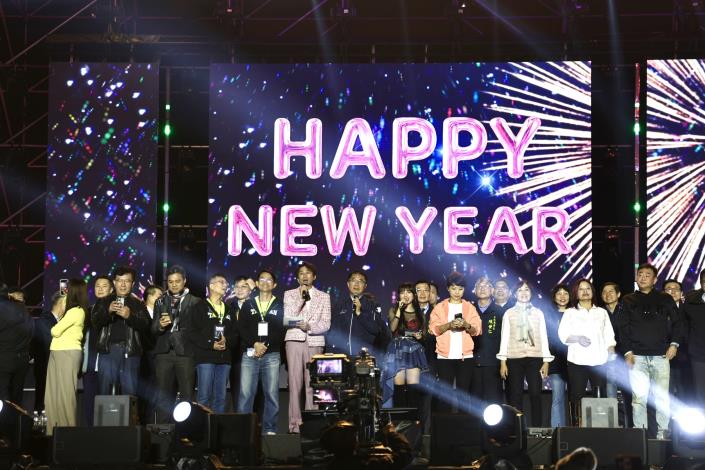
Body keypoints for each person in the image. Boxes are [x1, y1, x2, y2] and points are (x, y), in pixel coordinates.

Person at [618, 263, 686, 439]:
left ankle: (663, 433)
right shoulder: (628, 300)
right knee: (638, 398)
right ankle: (640, 434)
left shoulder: (665, 298)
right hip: (637, 357)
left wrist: (674, 344)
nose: (642, 277)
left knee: (662, 397)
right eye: (640, 274)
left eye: (647, 275)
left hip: (661, 355)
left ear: (655, 280)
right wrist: (627, 352)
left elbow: (678, 322)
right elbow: (622, 327)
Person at [559, 279, 616, 425]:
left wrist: (611, 350)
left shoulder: (602, 312)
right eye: (581, 289)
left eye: (588, 288)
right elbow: (563, 335)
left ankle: (600, 428)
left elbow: (609, 335)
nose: (585, 291)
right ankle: (576, 428)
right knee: (577, 397)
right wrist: (578, 338)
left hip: (599, 361)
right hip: (577, 361)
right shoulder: (570, 312)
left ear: (592, 291)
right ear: (576, 293)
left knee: (600, 397)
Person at [497, 281, 553, 427]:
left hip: (535, 358)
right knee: (516, 395)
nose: (523, 293)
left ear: (531, 293)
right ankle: (518, 429)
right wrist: (503, 362)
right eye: (520, 290)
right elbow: (504, 337)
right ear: (515, 294)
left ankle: (537, 429)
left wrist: (546, 361)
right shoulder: (509, 313)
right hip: (514, 358)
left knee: (535, 394)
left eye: (526, 290)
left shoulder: (538, 313)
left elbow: (543, 336)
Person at [284, 262, 331, 434]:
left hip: (315, 341)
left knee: (312, 384)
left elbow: (326, 323)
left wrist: (309, 326)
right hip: (294, 340)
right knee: (295, 384)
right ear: (298, 278)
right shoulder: (289, 294)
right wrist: (301, 299)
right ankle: (295, 425)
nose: (305, 276)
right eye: (301, 273)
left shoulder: (324, 296)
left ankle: (312, 424)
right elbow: (287, 319)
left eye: (308, 273)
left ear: (314, 276)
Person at [152, 265, 202, 422]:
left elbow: (199, 330)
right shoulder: (160, 301)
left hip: (185, 353)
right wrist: (160, 325)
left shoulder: (195, 302)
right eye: (170, 282)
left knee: (187, 395)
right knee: (163, 395)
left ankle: (186, 430)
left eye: (177, 281)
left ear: (184, 281)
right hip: (164, 353)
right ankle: (163, 430)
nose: (174, 285)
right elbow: (153, 328)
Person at [238, 269, 285, 435]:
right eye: (262, 279)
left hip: (271, 354)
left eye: (269, 280)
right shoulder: (248, 304)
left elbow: (281, 330)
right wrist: (255, 343)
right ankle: (244, 431)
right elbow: (241, 328)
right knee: (246, 394)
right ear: (257, 284)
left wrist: (265, 345)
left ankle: (270, 429)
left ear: (275, 284)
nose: (265, 282)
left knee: (271, 394)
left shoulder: (280, 305)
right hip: (250, 353)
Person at [92, 267, 150, 397]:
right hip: (108, 351)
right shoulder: (104, 301)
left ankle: (129, 412)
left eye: (127, 281)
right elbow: (95, 322)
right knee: (105, 391)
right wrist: (108, 311)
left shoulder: (138, 304)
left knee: (130, 393)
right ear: (114, 282)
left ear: (132, 284)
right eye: (119, 281)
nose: (123, 284)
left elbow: (146, 325)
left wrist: (130, 316)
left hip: (130, 352)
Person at [429, 272, 481, 413]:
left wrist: (466, 325)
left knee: (463, 394)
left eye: (460, 289)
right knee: (445, 395)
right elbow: (433, 329)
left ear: (464, 289)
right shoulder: (440, 307)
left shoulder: (469, 307)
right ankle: (445, 425)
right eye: (453, 288)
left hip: (466, 356)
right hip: (444, 356)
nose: (457, 292)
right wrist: (449, 325)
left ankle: (464, 425)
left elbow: (477, 330)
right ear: (448, 289)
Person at [45, 279, 87, 435]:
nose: (65, 292)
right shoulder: (70, 310)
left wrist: (61, 314)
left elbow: (55, 331)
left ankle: (68, 432)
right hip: (57, 351)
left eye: (68, 289)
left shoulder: (76, 311)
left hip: (68, 352)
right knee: (52, 395)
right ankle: (52, 432)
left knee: (65, 394)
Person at [192, 274, 235, 413]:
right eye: (221, 282)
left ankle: (217, 426)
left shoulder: (229, 309)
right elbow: (192, 332)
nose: (225, 285)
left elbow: (235, 333)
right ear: (211, 286)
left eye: (226, 283)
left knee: (220, 398)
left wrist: (227, 340)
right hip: (206, 357)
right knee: (204, 397)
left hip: (224, 359)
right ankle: (201, 425)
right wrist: (211, 344)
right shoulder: (199, 307)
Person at [386, 282, 428, 408]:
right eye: (402, 292)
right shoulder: (393, 310)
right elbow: (392, 328)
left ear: (413, 295)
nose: (405, 295)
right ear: (399, 295)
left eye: (409, 292)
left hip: (414, 350)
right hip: (397, 349)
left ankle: (413, 418)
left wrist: (420, 336)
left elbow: (424, 334)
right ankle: (399, 418)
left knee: (413, 388)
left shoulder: (420, 313)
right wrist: (399, 309)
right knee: (398, 388)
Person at [327, 271, 388, 356]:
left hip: (364, 355)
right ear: (348, 284)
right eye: (353, 280)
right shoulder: (339, 305)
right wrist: (330, 351)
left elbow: (376, 330)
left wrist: (360, 313)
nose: (356, 284)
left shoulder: (373, 305)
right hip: (342, 355)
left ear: (365, 286)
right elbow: (332, 331)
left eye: (360, 281)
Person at [81, 275, 112, 425]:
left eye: (104, 286)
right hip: (90, 361)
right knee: (89, 398)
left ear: (111, 289)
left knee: (106, 398)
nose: (100, 289)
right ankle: (89, 430)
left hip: (107, 359)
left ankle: (105, 429)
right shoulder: (88, 310)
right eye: (97, 286)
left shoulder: (114, 309)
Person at [470, 276, 504, 408]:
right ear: (475, 290)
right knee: (474, 403)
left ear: (492, 290)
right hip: (472, 363)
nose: (482, 289)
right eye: (479, 286)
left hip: (493, 364)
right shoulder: (469, 310)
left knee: (494, 403)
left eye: (486, 286)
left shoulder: (500, 312)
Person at [0, 282, 33, 405]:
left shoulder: (3, 309)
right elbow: (31, 334)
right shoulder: (26, 313)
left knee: (3, 397)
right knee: (17, 398)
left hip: (4, 359)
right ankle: (14, 417)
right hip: (21, 360)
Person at [32, 291, 65, 412]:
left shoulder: (58, 321)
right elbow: (51, 342)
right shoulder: (44, 320)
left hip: (54, 367)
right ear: (61, 303)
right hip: (46, 368)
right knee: (43, 401)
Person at [228, 275, 254, 410]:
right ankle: (238, 416)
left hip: (252, 351)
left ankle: (254, 418)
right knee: (236, 386)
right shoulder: (229, 306)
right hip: (235, 353)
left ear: (250, 289)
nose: (239, 290)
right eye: (237, 287)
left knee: (253, 388)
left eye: (244, 286)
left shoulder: (256, 305)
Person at [546, 284, 570, 428]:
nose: (562, 296)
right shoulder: (549, 315)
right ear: (554, 297)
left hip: (574, 361)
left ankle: (577, 430)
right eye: (559, 293)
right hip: (556, 361)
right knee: (557, 398)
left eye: (565, 293)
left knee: (575, 399)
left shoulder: (575, 313)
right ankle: (557, 431)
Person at [663, 279, 690, 403]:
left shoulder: (689, 310)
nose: (673, 291)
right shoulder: (658, 310)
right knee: (665, 390)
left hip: (685, 356)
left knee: (684, 390)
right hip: (663, 356)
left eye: (676, 289)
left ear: (681, 293)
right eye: (669, 289)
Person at [139, 284, 163, 423]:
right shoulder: (140, 312)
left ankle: (152, 422)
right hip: (145, 358)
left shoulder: (162, 314)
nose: (162, 299)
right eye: (159, 296)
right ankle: (143, 422)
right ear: (150, 296)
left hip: (159, 358)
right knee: (145, 391)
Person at [682, 268, 705, 406]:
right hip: (698, 353)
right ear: (701, 283)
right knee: (700, 391)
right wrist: (689, 341)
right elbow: (684, 323)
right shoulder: (691, 300)